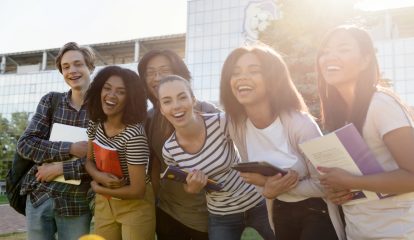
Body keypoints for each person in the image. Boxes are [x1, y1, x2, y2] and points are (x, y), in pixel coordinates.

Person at [220, 44, 345, 240]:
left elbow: (327, 185)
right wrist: (267, 188)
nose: (242, 77)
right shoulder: (237, 126)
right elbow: (253, 176)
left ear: (272, 79)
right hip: (279, 211)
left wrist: (272, 186)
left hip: (316, 211)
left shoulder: (300, 125)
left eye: (254, 71)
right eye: (235, 73)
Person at [316, 25, 414, 239]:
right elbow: (363, 178)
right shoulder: (340, 112)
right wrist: (339, 190)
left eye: (343, 49)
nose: (330, 56)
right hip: (359, 230)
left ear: (365, 60)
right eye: (325, 51)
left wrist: (351, 182)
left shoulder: (381, 104)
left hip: (398, 231)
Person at [158, 75, 275, 240]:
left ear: (193, 99)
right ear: (162, 109)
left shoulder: (221, 123)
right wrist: (193, 187)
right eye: (167, 101)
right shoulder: (170, 150)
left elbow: (255, 144)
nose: (176, 106)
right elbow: (188, 187)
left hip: (258, 202)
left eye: (182, 97)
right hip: (222, 216)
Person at [17, 42, 95, 240]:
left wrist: (60, 169)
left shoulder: (103, 110)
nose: (72, 71)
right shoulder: (51, 101)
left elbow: (103, 161)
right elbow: (26, 144)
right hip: (40, 197)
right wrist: (70, 148)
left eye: (78, 64)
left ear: (90, 67)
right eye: (66, 67)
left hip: (76, 204)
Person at [137, 49, 218, 240]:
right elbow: (154, 168)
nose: (157, 77)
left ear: (180, 75)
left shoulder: (208, 111)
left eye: (164, 70)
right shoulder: (148, 120)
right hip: (168, 213)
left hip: (208, 214)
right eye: (150, 72)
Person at [84, 66, 155, 240]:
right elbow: (88, 161)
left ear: (130, 99)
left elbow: (138, 190)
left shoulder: (134, 135)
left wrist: (98, 187)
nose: (111, 95)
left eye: (121, 92)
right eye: (107, 88)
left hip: (135, 206)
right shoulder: (95, 123)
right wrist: (99, 179)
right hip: (104, 204)